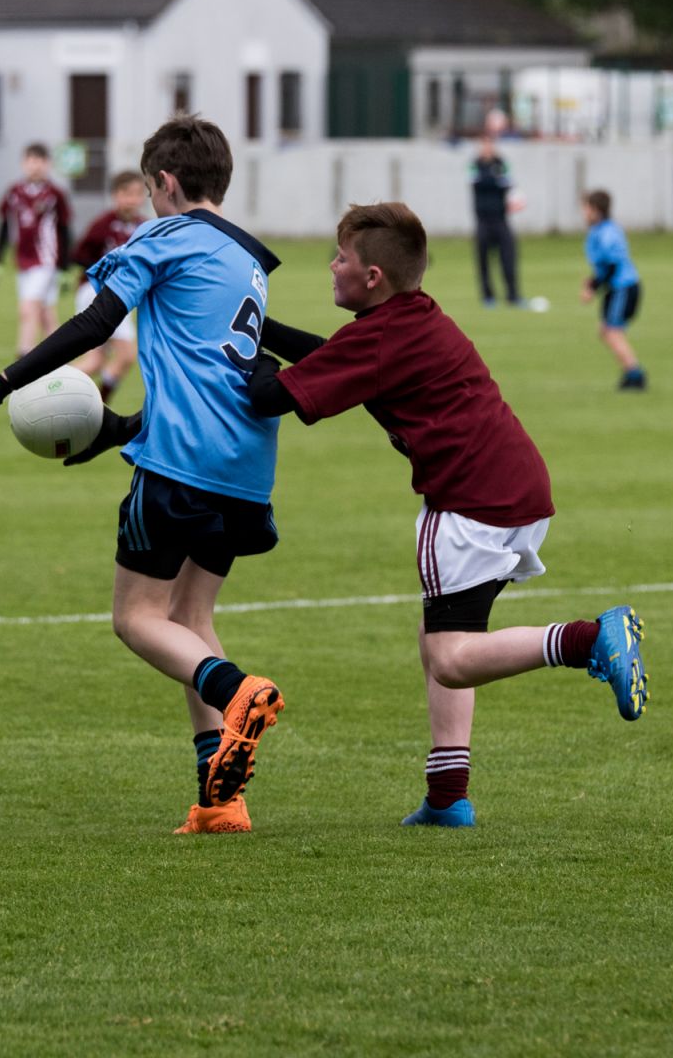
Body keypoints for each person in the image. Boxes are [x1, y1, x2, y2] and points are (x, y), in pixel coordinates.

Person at [0, 115, 285, 835]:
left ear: (162, 182)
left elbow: (95, 323)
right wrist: (114, 431)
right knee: (190, 620)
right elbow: (209, 378)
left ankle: (239, 689)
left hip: (180, 463)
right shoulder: (247, 259)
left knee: (135, 620)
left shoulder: (161, 237)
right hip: (244, 464)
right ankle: (219, 799)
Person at [245, 201, 648, 828]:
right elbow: (335, 357)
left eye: (342, 258)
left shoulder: (380, 338)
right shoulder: (410, 317)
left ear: (372, 277)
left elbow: (272, 396)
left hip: (470, 501)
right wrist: (262, 328)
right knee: (443, 634)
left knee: (452, 657)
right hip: (519, 488)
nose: (332, 266)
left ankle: (591, 639)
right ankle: (447, 795)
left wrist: (245, 354)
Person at [70, 169, 150, 402]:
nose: (132, 200)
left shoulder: (144, 227)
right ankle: (97, 403)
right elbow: (79, 255)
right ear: (115, 196)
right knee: (126, 355)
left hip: (120, 297)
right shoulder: (103, 225)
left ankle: (49, 387)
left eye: (137, 194)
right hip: (97, 293)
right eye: (126, 194)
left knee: (95, 361)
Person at [0, 143, 74, 356]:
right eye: (31, 161)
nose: (35, 166)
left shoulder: (55, 194)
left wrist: (65, 267)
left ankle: (24, 358)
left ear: (48, 164)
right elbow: (5, 226)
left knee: (28, 309)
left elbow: (64, 230)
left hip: (46, 260)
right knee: (46, 315)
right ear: (23, 163)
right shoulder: (14, 192)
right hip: (23, 261)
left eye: (40, 161)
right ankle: (61, 360)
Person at [580, 189, 647, 390]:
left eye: (586, 208)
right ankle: (631, 372)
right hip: (617, 287)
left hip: (623, 287)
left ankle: (635, 375)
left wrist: (592, 287)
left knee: (611, 331)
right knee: (607, 331)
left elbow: (612, 265)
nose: (584, 213)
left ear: (596, 210)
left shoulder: (607, 232)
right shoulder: (602, 230)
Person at [469, 127, 526, 307]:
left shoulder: (502, 163)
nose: (487, 148)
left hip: (500, 218)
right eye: (484, 145)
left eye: (490, 144)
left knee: (509, 257)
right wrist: (494, 180)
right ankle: (488, 296)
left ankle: (513, 295)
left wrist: (492, 181)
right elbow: (477, 184)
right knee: (483, 260)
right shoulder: (474, 164)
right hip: (482, 219)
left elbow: (508, 184)